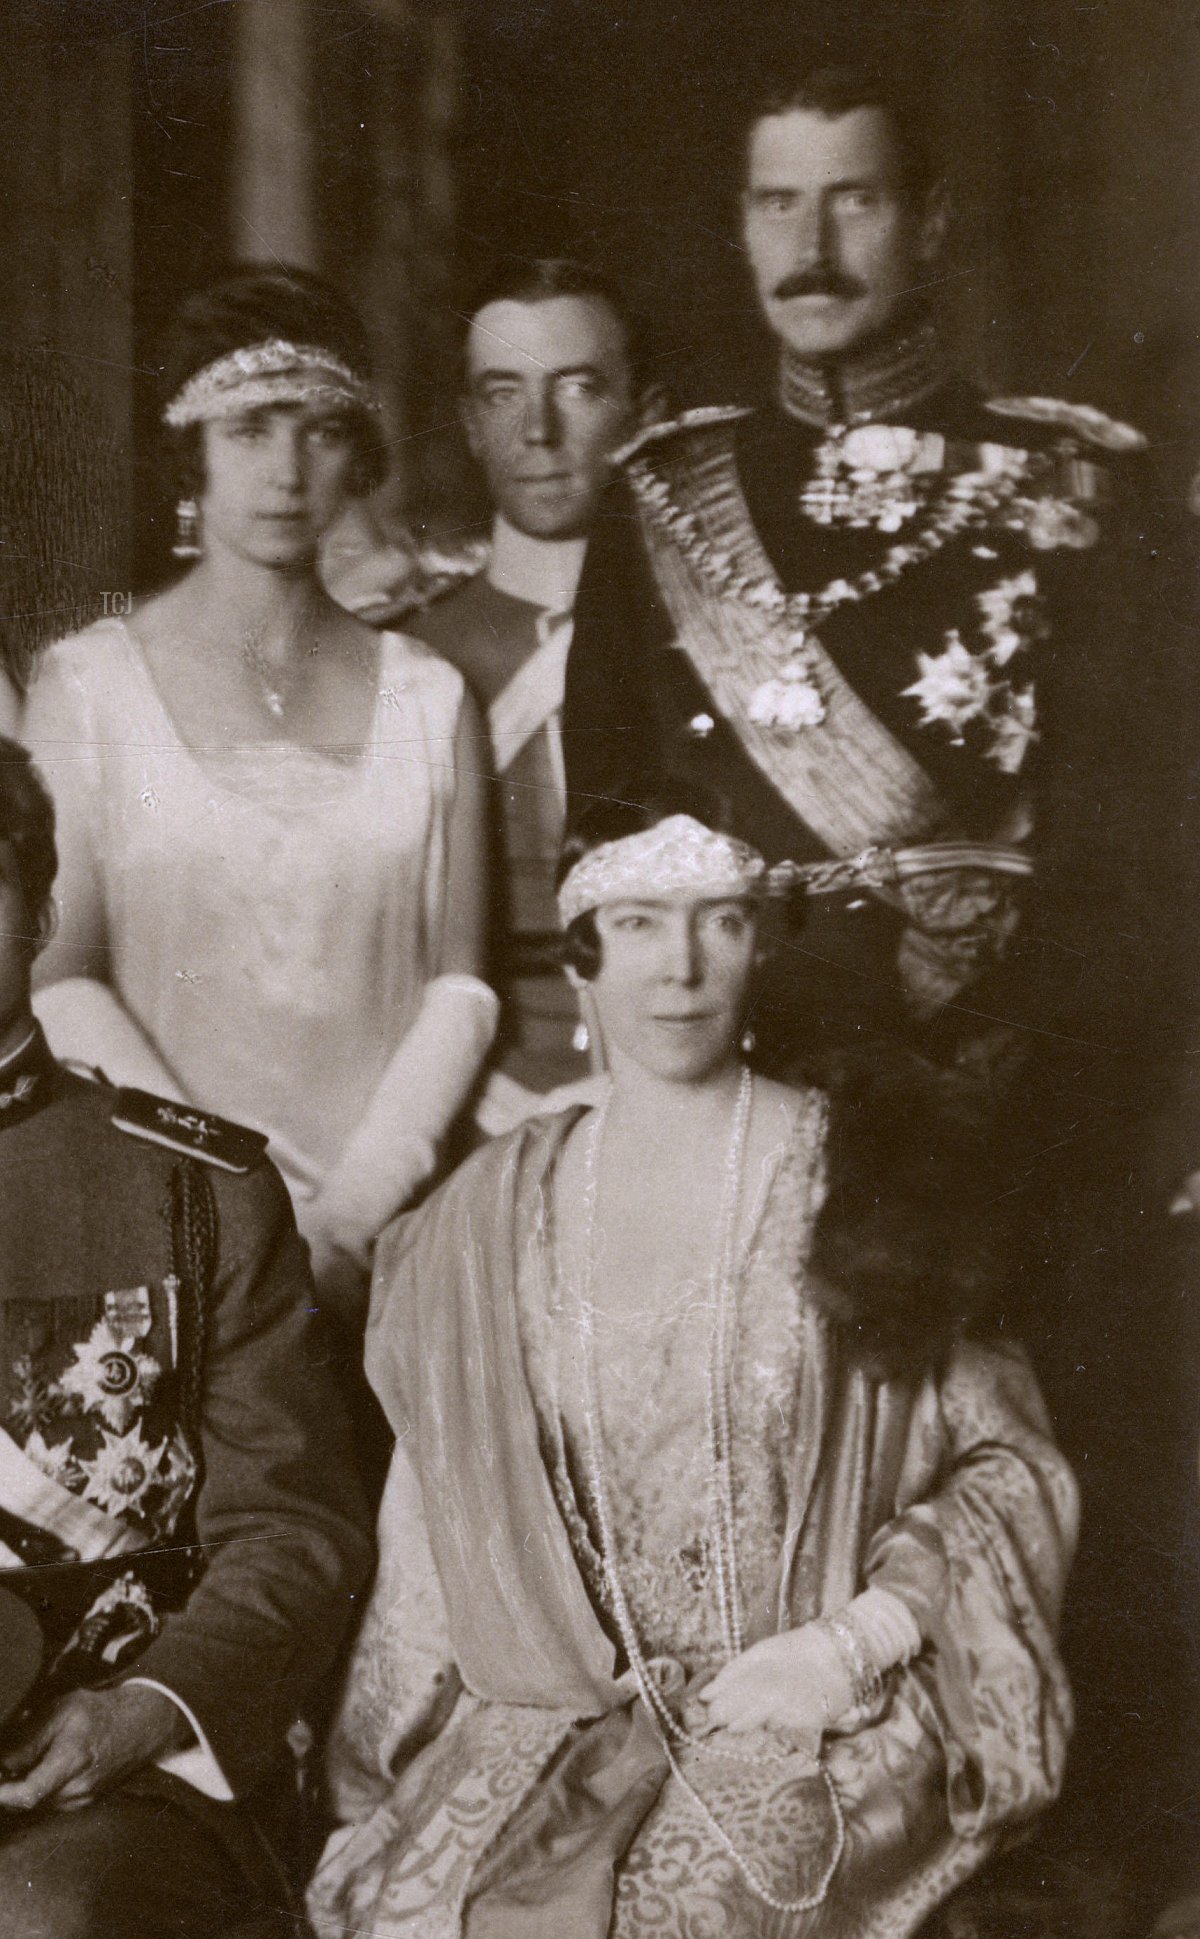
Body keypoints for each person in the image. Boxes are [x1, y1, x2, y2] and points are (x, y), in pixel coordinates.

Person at [307, 800, 1077, 1939]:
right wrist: (378, 1783)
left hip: (818, 1704)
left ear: (762, 944)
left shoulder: (877, 1177)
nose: (679, 967)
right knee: (414, 1916)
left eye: (718, 922)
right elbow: (435, 1531)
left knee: (685, 1916)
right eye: (637, 923)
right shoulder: (481, 1218)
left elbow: (1008, 1465)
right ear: (585, 956)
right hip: (552, 1700)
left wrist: (854, 1641)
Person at [21, 265, 494, 1321]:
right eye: (248, 429)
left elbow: (462, 986)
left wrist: (350, 1221)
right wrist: (233, 1215)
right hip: (167, 1241)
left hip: (386, 1243)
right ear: (190, 450)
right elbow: (63, 978)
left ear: (357, 454)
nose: (285, 469)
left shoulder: (430, 697)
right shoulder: (88, 688)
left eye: (320, 429)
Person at [0, 737, 372, 1937]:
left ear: (42, 905)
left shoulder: (196, 1190)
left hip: (117, 1768)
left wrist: (152, 1706)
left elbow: (294, 1529)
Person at [403, 260, 649, 1126]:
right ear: (471, 425)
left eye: (579, 388)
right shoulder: (411, 652)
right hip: (475, 1111)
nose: (538, 431)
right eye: (503, 394)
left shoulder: (714, 631)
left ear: (642, 409)